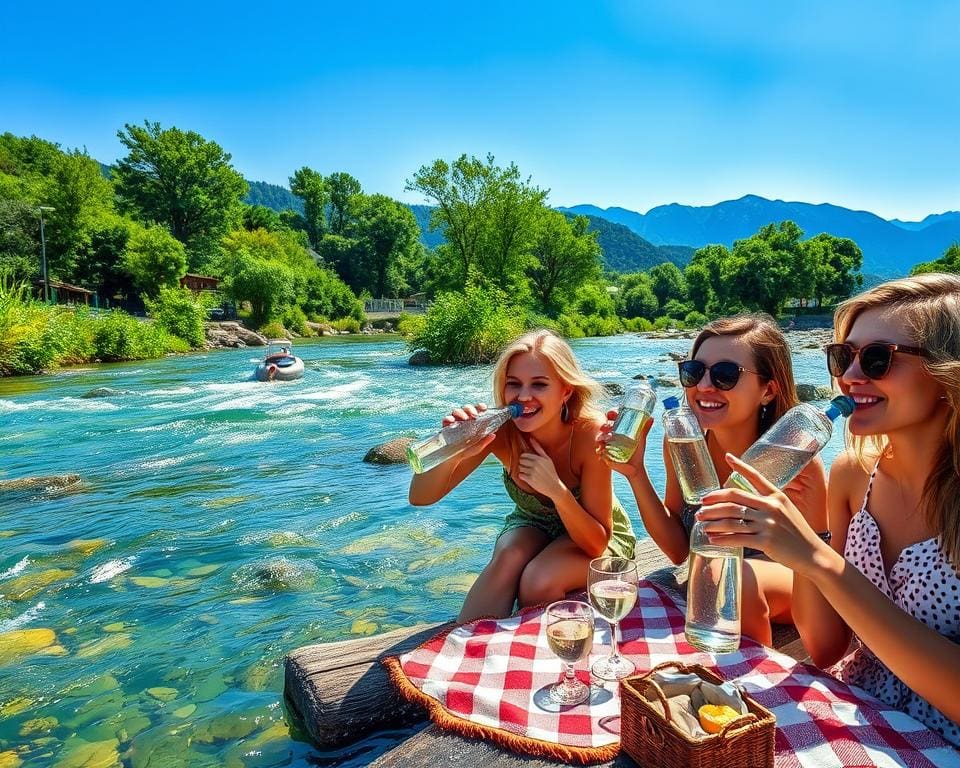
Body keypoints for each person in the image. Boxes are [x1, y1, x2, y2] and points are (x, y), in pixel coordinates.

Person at [696, 274, 960, 745]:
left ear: (947, 371)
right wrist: (810, 538)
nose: (849, 377)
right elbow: (826, 646)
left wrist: (821, 561)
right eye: (844, 357)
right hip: (859, 716)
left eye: (878, 359)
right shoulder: (852, 474)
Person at [599, 314, 827, 646]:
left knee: (737, 580)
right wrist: (635, 473)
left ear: (768, 390)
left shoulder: (794, 459)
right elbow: (678, 551)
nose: (704, 386)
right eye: (693, 372)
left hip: (786, 581)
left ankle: (745, 686)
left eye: (725, 375)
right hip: (708, 581)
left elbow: (820, 561)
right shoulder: (684, 443)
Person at [409, 329, 636, 622]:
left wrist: (556, 490)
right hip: (533, 524)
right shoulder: (499, 430)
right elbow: (420, 497)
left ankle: (543, 655)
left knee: (538, 579)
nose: (524, 396)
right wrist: (456, 451)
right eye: (513, 384)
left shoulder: (589, 434)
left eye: (539, 385)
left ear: (565, 390)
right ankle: (468, 652)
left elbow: (596, 543)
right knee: (508, 557)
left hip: (595, 533)